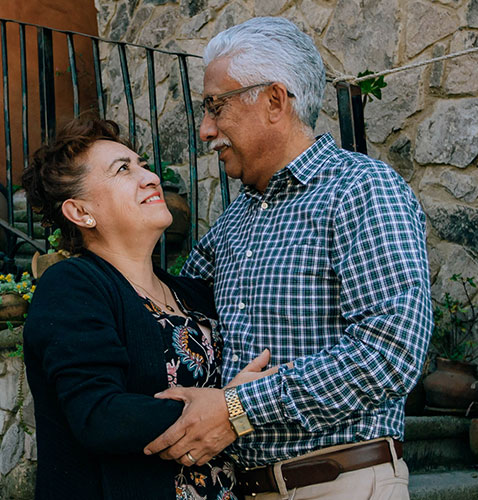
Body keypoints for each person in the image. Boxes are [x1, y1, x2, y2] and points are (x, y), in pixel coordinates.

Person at [144, 17, 433, 500]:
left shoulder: (362, 189)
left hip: (343, 484)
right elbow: (176, 324)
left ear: (275, 101)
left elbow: (391, 354)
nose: (205, 129)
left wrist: (239, 408)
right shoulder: (233, 221)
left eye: (216, 106)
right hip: (244, 489)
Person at [22, 116, 254, 499]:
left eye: (142, 164)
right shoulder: (72, 287)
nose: (150, 177)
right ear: (80, 213)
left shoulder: (192, 293)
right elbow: (99, 415)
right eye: (123, 169)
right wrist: (232, 408)